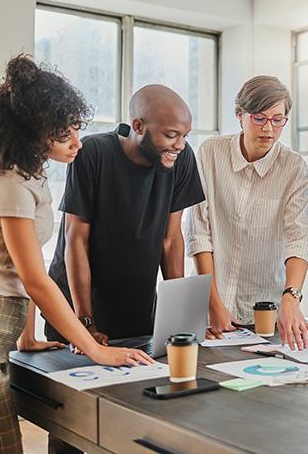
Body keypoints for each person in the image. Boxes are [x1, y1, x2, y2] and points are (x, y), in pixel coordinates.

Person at [0, 55, 152, 454]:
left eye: (76, 127)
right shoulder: (11, 184)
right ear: (33, 134)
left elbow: (18, 271)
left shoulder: (27, 177)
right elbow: (36, 280)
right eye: (63, 132)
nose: (77, 140)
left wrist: (29, 338)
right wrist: (95, 349)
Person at [44, 84, 205, 345]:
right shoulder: (92, 153)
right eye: (172, 135)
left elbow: (171, 239)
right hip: (77, 310)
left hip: (137, 310)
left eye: (185, 135)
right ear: (138, 126)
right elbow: (75, 240)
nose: (181, 145)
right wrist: (85, 322)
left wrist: (180, 320)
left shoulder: (182, 160)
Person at [186, 76, 308, 350]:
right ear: (240, 116)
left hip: (265, 311)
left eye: (277, 119)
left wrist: (291, 297)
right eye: (259, 118)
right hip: (211, 310)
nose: (269, 128)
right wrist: (214, 305)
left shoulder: (294, 168)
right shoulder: (210, 153)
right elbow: (199, 233)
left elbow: (299, 238)